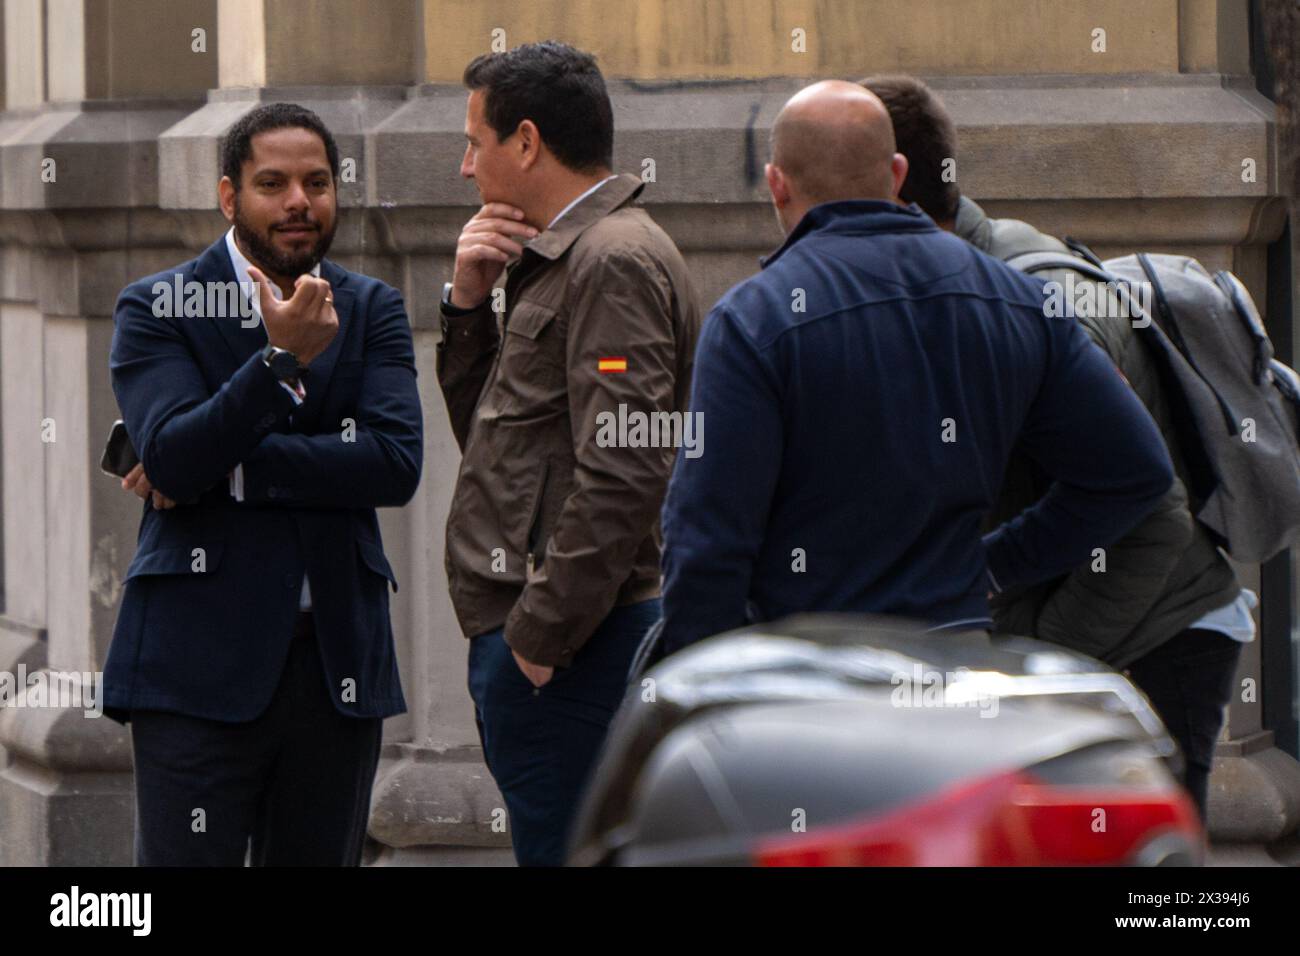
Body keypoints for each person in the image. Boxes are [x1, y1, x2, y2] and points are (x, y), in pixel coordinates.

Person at [659, 80, 1175, 664]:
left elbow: (706, 543)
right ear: (898, 173)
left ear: (776, 184)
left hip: (806, 687)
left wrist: (704, 689)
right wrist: (991, 565)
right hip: (956, 667)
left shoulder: (752, 321)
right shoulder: (1016, 299)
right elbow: (1134, 471)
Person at [863, 74, 1250, 819]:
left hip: (1158, 639)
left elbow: (1151, 519)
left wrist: (1038, 663)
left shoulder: (1033, 300)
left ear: (895, 185)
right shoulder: (961, 282)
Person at [107, 103, 423, 865]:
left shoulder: (372, 307)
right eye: (272, 183)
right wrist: (277, 364)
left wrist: (234, 462)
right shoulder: (159, 305)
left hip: (334, 670)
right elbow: (175, 460)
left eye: (317, 183)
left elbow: (392, 463)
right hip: (192, 673)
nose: (298, 204)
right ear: (229, 197)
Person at [437, 41, 702, 866]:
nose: (464, 166)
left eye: (474, 142)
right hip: (558, 642)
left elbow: (625, 468)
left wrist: (539, 641)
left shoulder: (611, 259)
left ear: (524, 141)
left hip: (579, 648)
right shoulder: (564, 255)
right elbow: (499, 438)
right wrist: (468, 306)